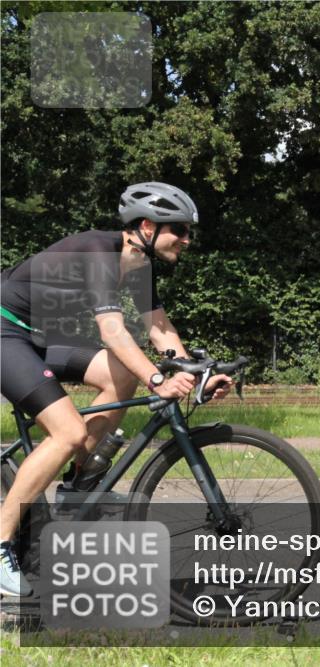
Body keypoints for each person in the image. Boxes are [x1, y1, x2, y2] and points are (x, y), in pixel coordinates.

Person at [0, 182, 231, 597]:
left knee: (120, 377)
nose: (186, 239)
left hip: (36, 339)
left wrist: (197, 375)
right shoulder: (98, 253)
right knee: (68, 431)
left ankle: (80, 481)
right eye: (179, 229)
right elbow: (113, 332)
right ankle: (1, 545)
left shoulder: (139, 265)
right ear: (146, 226)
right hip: (4, 333)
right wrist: (158, 380)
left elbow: (159, 328)